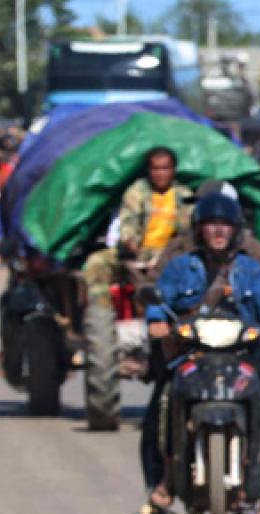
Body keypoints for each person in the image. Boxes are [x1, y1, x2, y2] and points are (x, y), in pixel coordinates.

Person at [126, 191, 260, 514]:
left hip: (243, 353)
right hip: (192, 353)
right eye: (210, 224)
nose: (218, 231)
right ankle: (161, 486)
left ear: (236, 229)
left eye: (224, 224)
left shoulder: (253, 267)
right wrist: (157, 320)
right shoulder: (179, 263)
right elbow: (158, 300)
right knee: (162, 403)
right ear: (198, 228)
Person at [83, 147, 193, 361]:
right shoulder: (137, 192)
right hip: (138, 254)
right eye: (156, 169)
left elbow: (188, 232)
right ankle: (103, 318)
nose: (160, 174)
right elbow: (128, 224)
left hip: (170, 255)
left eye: (165, 168)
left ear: (173, 170)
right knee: (97, 263)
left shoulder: (184, 195)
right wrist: (131, 244)